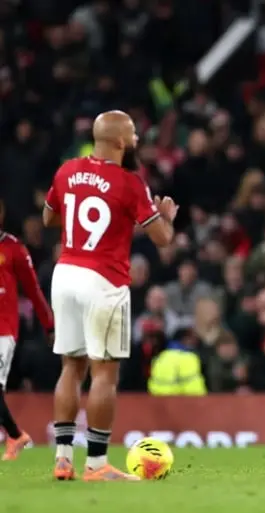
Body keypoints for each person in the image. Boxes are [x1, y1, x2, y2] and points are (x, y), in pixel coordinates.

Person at [43, 110, 178, 481]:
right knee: (104, 373)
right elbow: (162, 239)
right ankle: (96, 464)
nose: (136, 140)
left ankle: (63, 459)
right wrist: (166, 216)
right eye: (133, 134)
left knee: (71, 367)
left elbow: (49, 218)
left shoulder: (67, 171)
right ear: (119, 141)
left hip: (65, 274)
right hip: (103, 280)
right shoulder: (130, 183)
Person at [0, 200, 54, 460]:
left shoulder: (13, 248)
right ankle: (15, 435)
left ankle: (16, 435)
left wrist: (49, 324)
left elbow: (33, 290)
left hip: (3, 329)